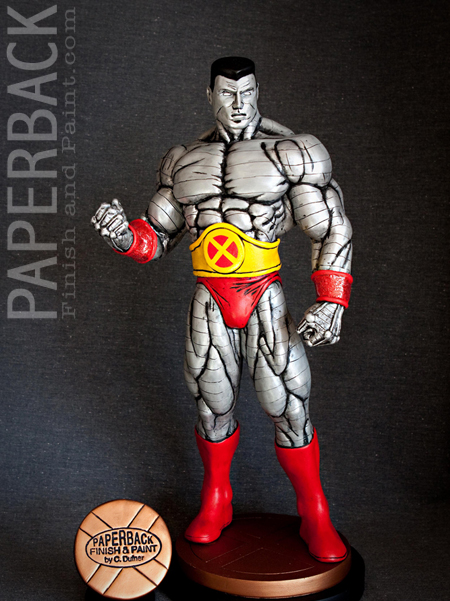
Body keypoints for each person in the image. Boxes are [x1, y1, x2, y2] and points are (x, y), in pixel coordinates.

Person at [92, 57, 353, 563]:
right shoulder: (184, 160)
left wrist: (331, 301)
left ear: (258, 92)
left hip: (264, 291)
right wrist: (123, 236)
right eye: (228, 94)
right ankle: (217, 499)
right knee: (211, 405)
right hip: (209, 295)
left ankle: (314, 511)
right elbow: (157, 235)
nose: (239, 104)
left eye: (247, 92)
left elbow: (331, 225)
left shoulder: (290, 153)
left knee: (289, 404)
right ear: (209, 95)